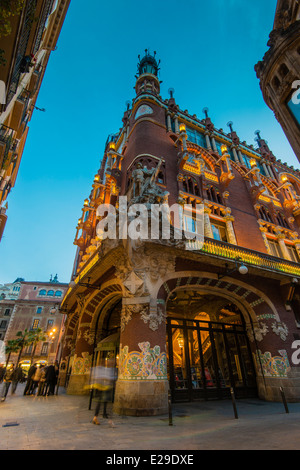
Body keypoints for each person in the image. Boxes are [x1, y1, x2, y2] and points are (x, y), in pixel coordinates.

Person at [90, 359, 115, 426]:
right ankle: (109, 420)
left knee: (103, 403)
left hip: (103, 388)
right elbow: (105, 378)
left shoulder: (102, 369)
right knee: (104, 402)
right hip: (103, 388)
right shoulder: (101, 369)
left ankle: (97, 417)